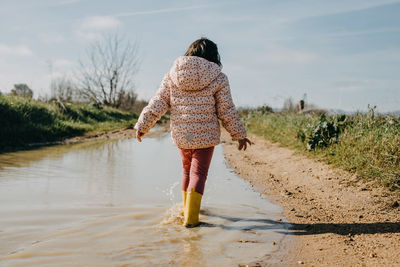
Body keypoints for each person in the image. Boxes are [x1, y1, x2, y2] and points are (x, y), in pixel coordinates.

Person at [134, 37, 251, 227]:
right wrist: (239, 134)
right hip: (205, 136)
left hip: (182, 135)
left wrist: (143, 125)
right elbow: (226, 110)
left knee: (187, 172)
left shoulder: (172, 75)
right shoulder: (218, 77)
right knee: (199, 174)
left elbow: (158, 102)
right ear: (213, 56)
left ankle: (186, 210)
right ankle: (191, 219)